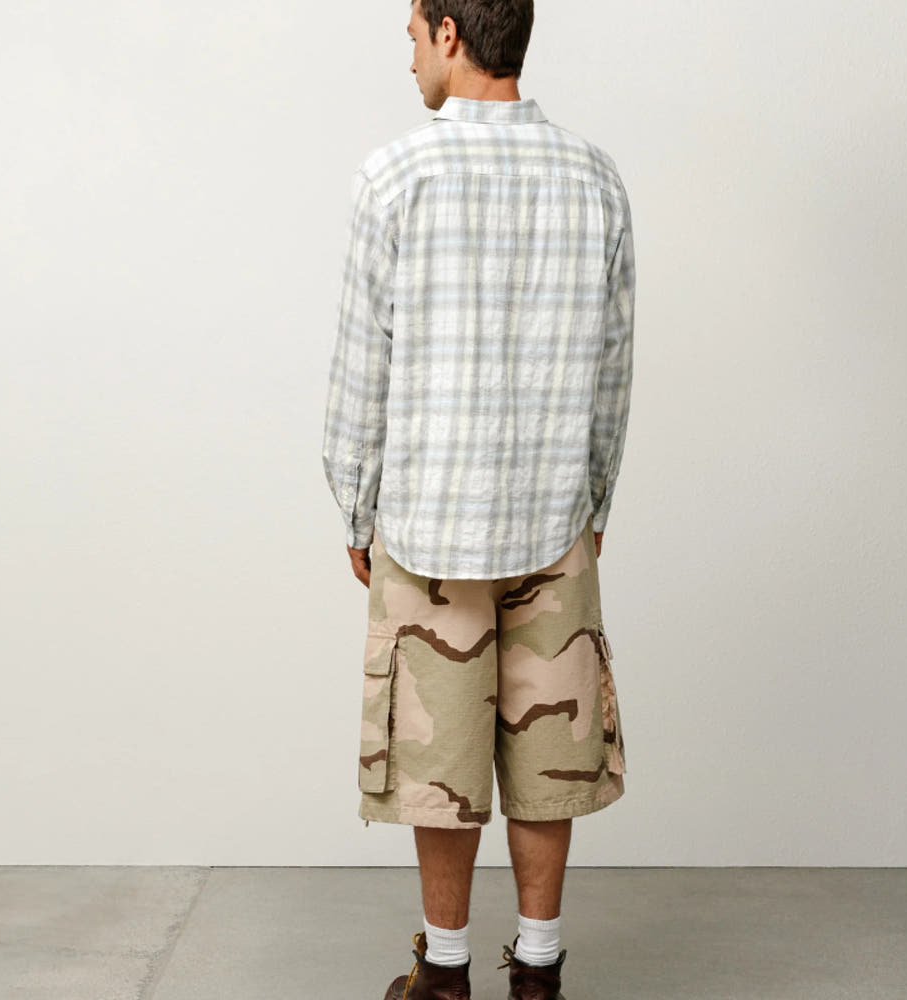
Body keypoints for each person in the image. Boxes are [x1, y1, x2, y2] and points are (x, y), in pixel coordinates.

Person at [321, 1, 635, 996]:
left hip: (428, 523)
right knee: (551, 748)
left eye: (414, 33)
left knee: (438, 751)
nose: (411, 53)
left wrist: (356, 505)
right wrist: (593, 504)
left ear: (450, 32)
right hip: (554, 517)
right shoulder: (594, 176)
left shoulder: (396, 174)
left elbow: (361, 368)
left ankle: (445, 974)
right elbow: (613, 369)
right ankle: (538, 969)